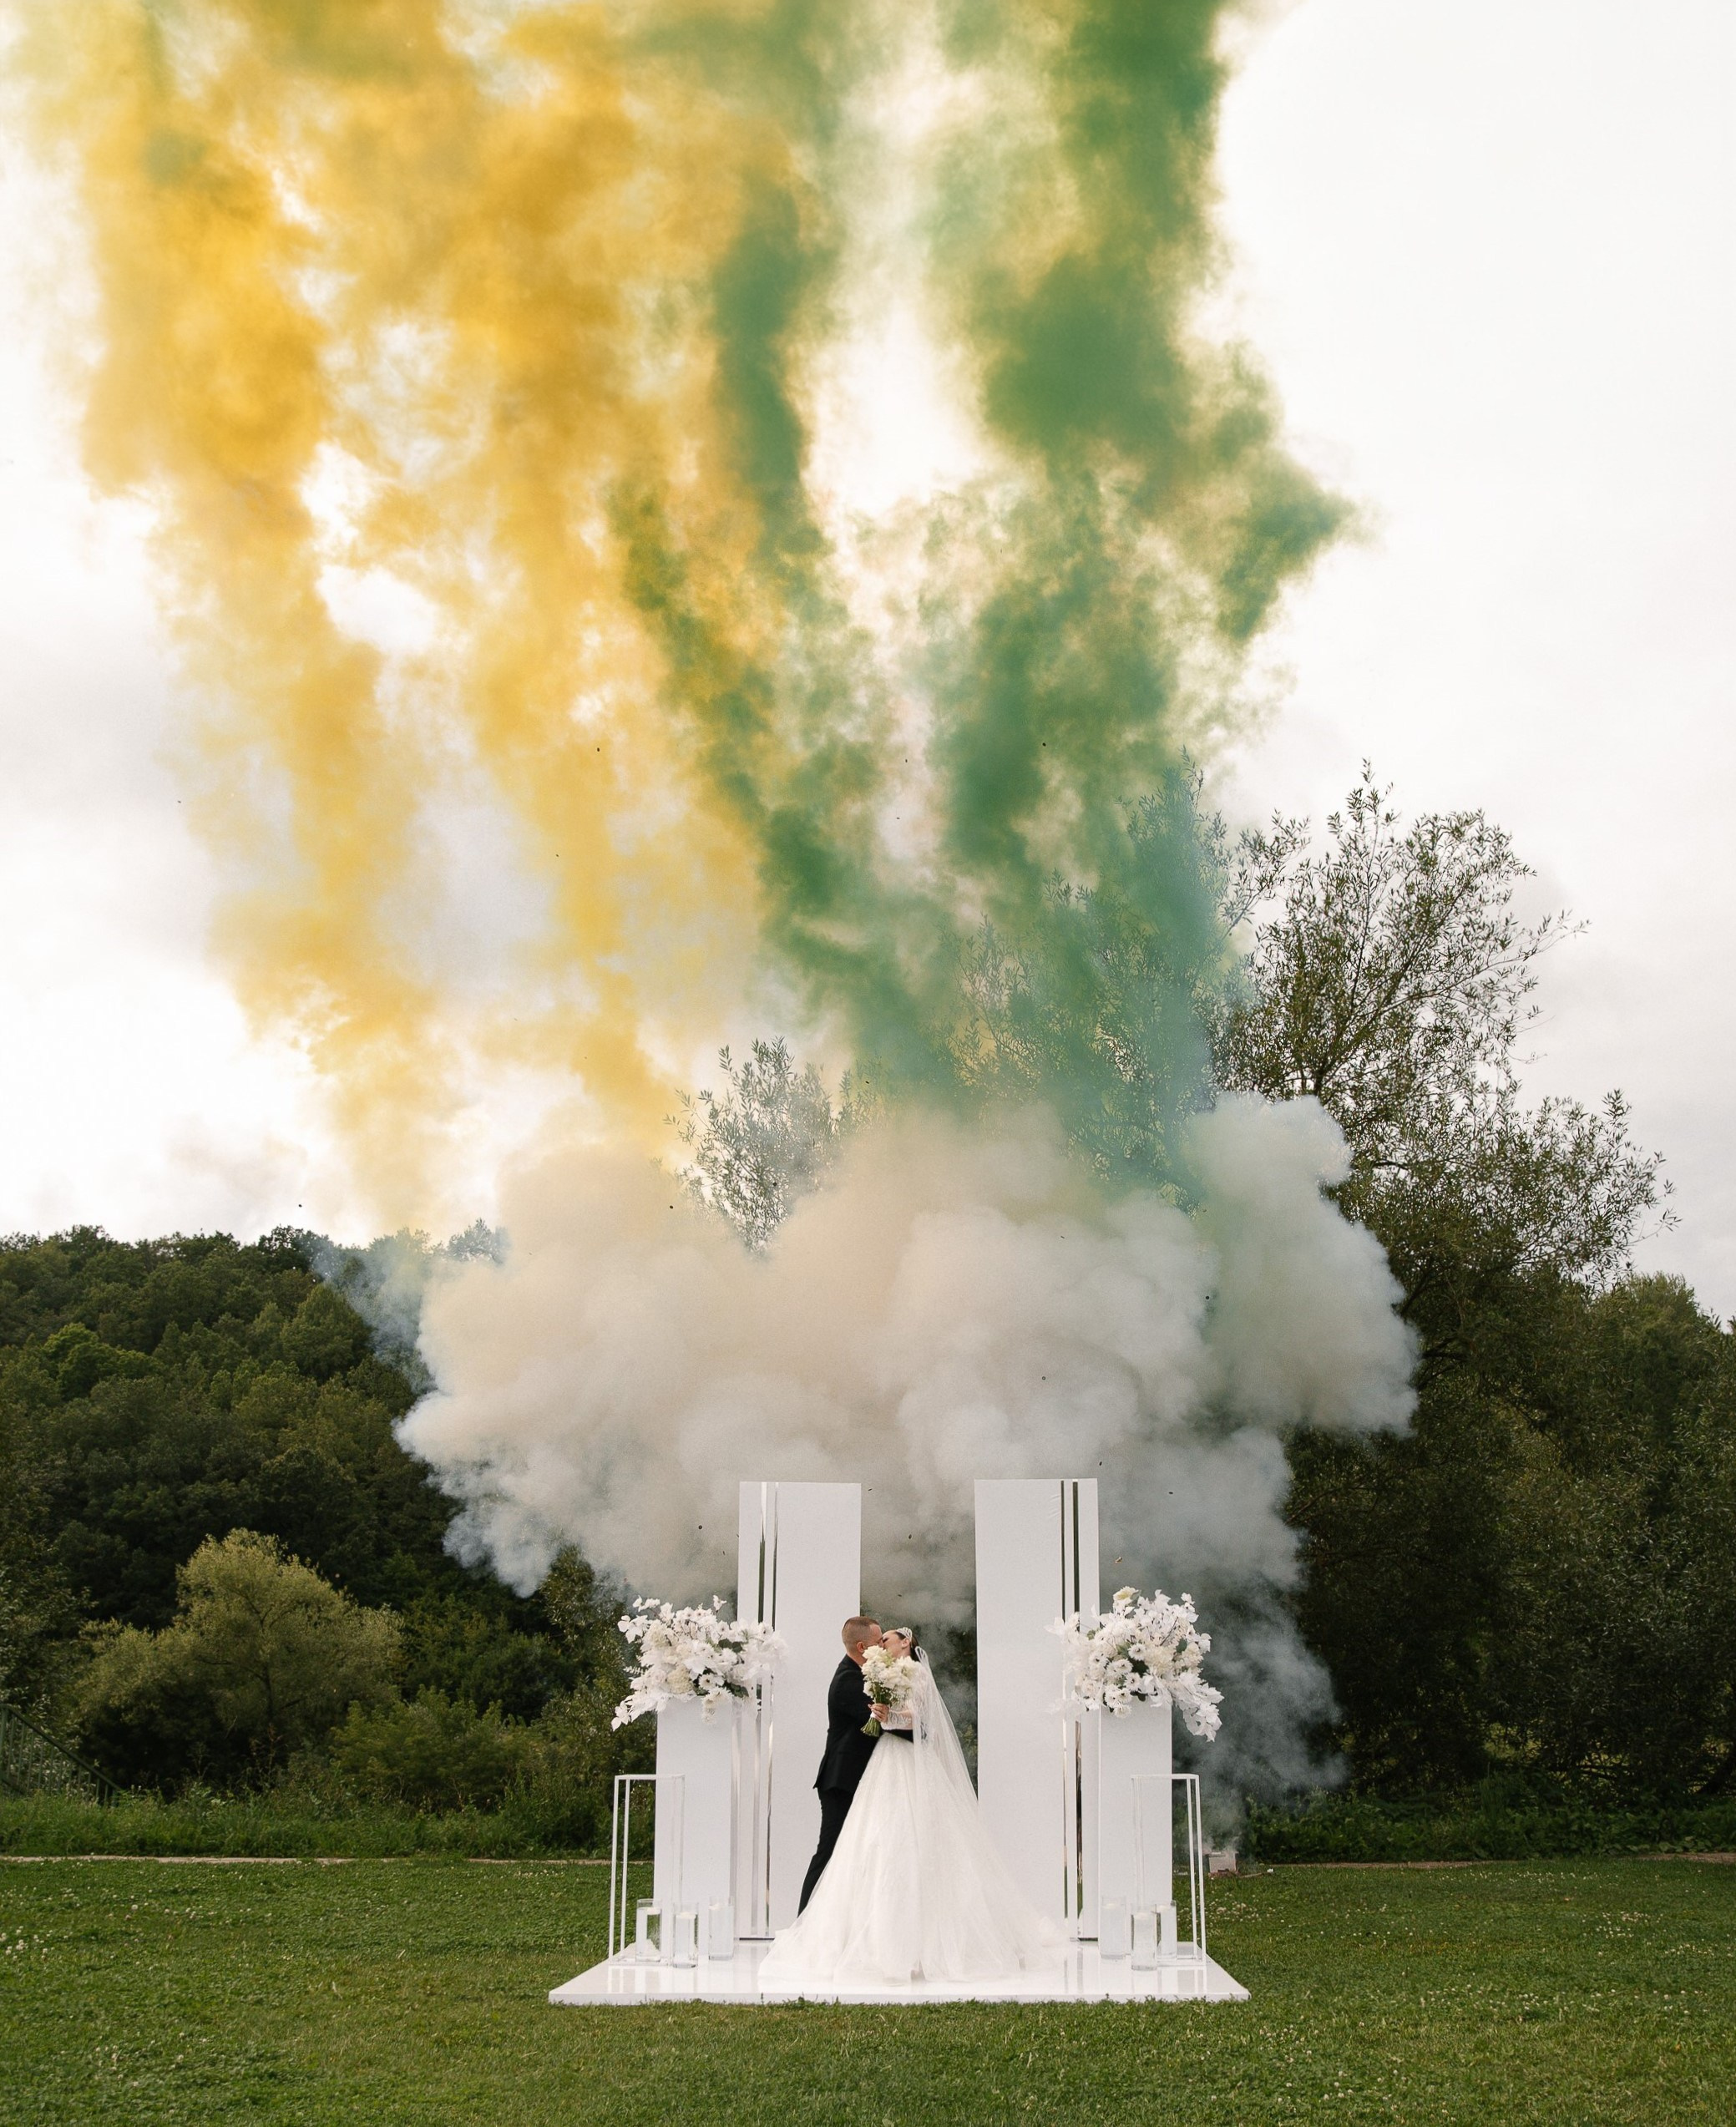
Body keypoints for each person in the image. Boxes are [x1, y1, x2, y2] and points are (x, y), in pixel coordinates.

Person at [760, 1624, 1060, 1989]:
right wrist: (884, 1717)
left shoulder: (911, 1673)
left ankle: (910, 1942)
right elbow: (878, 1719)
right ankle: (819, 1929)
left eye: (888, 1638)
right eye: (877, 1639)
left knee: (906, 1844)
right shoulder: (855, 1678)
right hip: (862, 1771)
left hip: (900, 1763)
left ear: (906, 1642)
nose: (882, 1643)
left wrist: (887, 1718)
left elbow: (920, 1722)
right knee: (859, 1849)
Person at [797, 1614, 888, 1912]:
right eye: (879, 1644)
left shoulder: (862, 1673)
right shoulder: (847, 1681)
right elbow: (878, 1722)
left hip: (861, 1779)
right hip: (842, 1782)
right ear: (863, 1646)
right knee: (830, 1852)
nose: (884, 1649)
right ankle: (804, 1922)